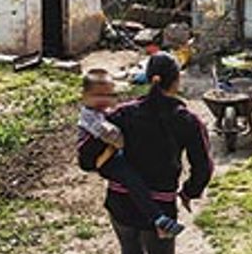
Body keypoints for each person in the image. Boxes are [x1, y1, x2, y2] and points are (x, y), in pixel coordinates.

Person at [79, 53, 213, 254]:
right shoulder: (188, 121)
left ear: (149, 78)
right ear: (176, 80)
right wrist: (188, 192)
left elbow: (87, 159)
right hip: (161, 206)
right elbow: (203, 167)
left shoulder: (122, 114)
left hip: (120, 203)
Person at [77, 68, 185, 239]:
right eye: (97, 95)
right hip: (100, 160)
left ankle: (157, 218)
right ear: (84, 96)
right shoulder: (89, 116)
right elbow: (110, 135)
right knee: (133, 181)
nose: (103, 100)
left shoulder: (103, 112)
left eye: (108, 96)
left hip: (110, 157)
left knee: (135, 181)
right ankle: (158, 218)